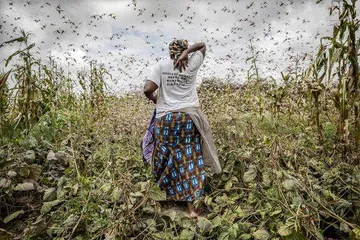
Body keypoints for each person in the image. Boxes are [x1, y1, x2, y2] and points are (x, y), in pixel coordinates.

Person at [143, 39, 221, 218]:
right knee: (189, 157)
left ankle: (161, 197)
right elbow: (202, 45)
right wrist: (189, 53)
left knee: (164, 155)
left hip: (166, 120)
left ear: (170, 51)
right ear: (184, 50)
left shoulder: (161, 66)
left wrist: (157, 100)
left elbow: (148, 89)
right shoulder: (191, 63)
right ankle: (192, 208)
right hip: (187, 118)